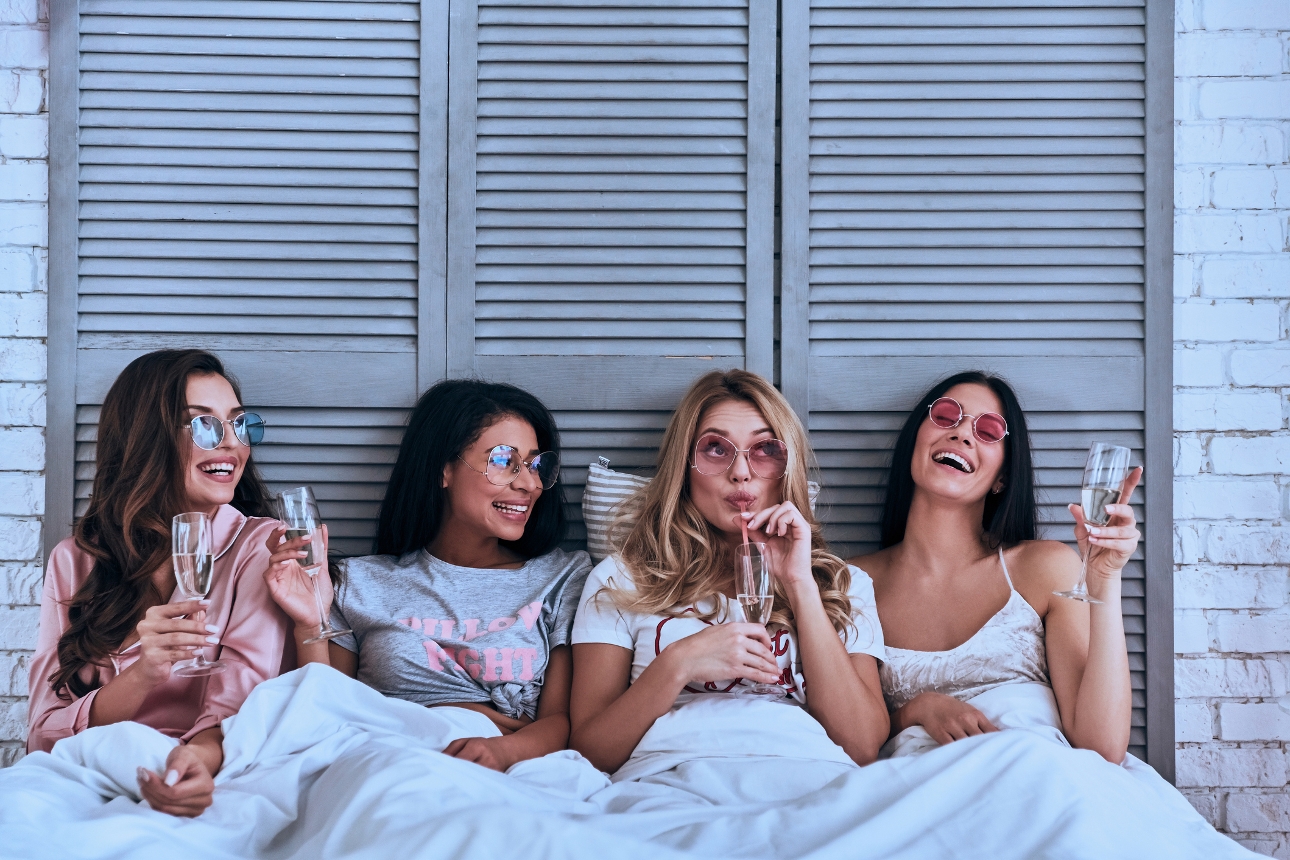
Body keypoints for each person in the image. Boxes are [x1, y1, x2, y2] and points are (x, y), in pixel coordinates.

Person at [570, 369, 889, 774]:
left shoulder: (843, 585)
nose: (741, 472)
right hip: (668, 786)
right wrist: (678, 663)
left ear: (787, 468)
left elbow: (861, 745)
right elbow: (590, 753)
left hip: (808, 781)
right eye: (717, 449)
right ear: (683, 467)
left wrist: (799, 583)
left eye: (764, 450)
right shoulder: (620, 580)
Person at [265, 379, 590, 771]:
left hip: (508, 767)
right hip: (389, 761)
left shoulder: (562, 576)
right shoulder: (358, 583)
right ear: (443, 470)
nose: (529, 483)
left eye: (536, 464)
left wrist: (503, 753)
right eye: (504, 461)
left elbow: (560, 721)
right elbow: (325, 715)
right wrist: (308, 621)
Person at [28, 349, 292, 817]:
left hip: (209, 773)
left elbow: (239, 704)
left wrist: (190, 762)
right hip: (90, 773)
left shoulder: (260, 546)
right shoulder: (73, 561)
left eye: (238, 423)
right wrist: (146, 672)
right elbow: (44, 732)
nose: (232, 444)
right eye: (205, 425)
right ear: (146, 439)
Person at [850, 371, 1140, 762]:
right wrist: (915, 712)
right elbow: (854, 736)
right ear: (914, 441)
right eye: (946, 415)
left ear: (1002, 477)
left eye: (988, 430)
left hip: (1041, 781)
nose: (963, 434)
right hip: (921, 792)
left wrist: (1104, 580)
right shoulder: (851, 582)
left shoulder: (1044, 568)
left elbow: (1102, 746)